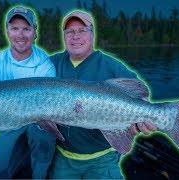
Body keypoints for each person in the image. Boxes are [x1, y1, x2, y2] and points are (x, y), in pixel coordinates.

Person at [48, 10, 157, 179]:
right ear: (64, 36)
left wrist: (140, 122)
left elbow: (140, 94)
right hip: (64, 158)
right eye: (70, 31)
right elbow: (24, 71)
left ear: (92, 34)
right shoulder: (51, 63)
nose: (75, 36)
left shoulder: (111, 66)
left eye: (82, 30)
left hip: (103, 160)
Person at [0, 6, 56, 179]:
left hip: (38, 120)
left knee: (42, 138)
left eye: (26, 29)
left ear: (34, 32)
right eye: (15, 28)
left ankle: (40, 174)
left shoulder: (45, 65)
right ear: (7, 31)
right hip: (8, 123)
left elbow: (46, 106)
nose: (20, 35)